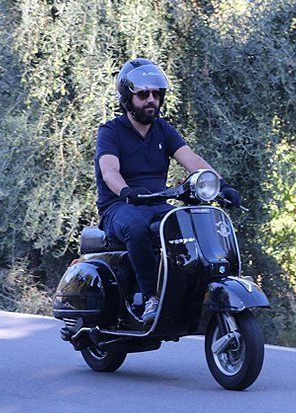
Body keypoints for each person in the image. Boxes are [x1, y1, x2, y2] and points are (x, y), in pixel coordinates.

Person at [95, 58, 241, 323]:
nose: (151, 99)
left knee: (190, 225)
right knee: (136, 227)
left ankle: (187, 292)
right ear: (128, 98)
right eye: (143, 94)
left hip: (157, 203)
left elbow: (193, 160)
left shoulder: (164, 130)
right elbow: (109, 171)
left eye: (156, 94)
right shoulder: (111, 132)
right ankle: (150, 298)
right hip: (119, 207)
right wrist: (126, 191)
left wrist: (222, 185)